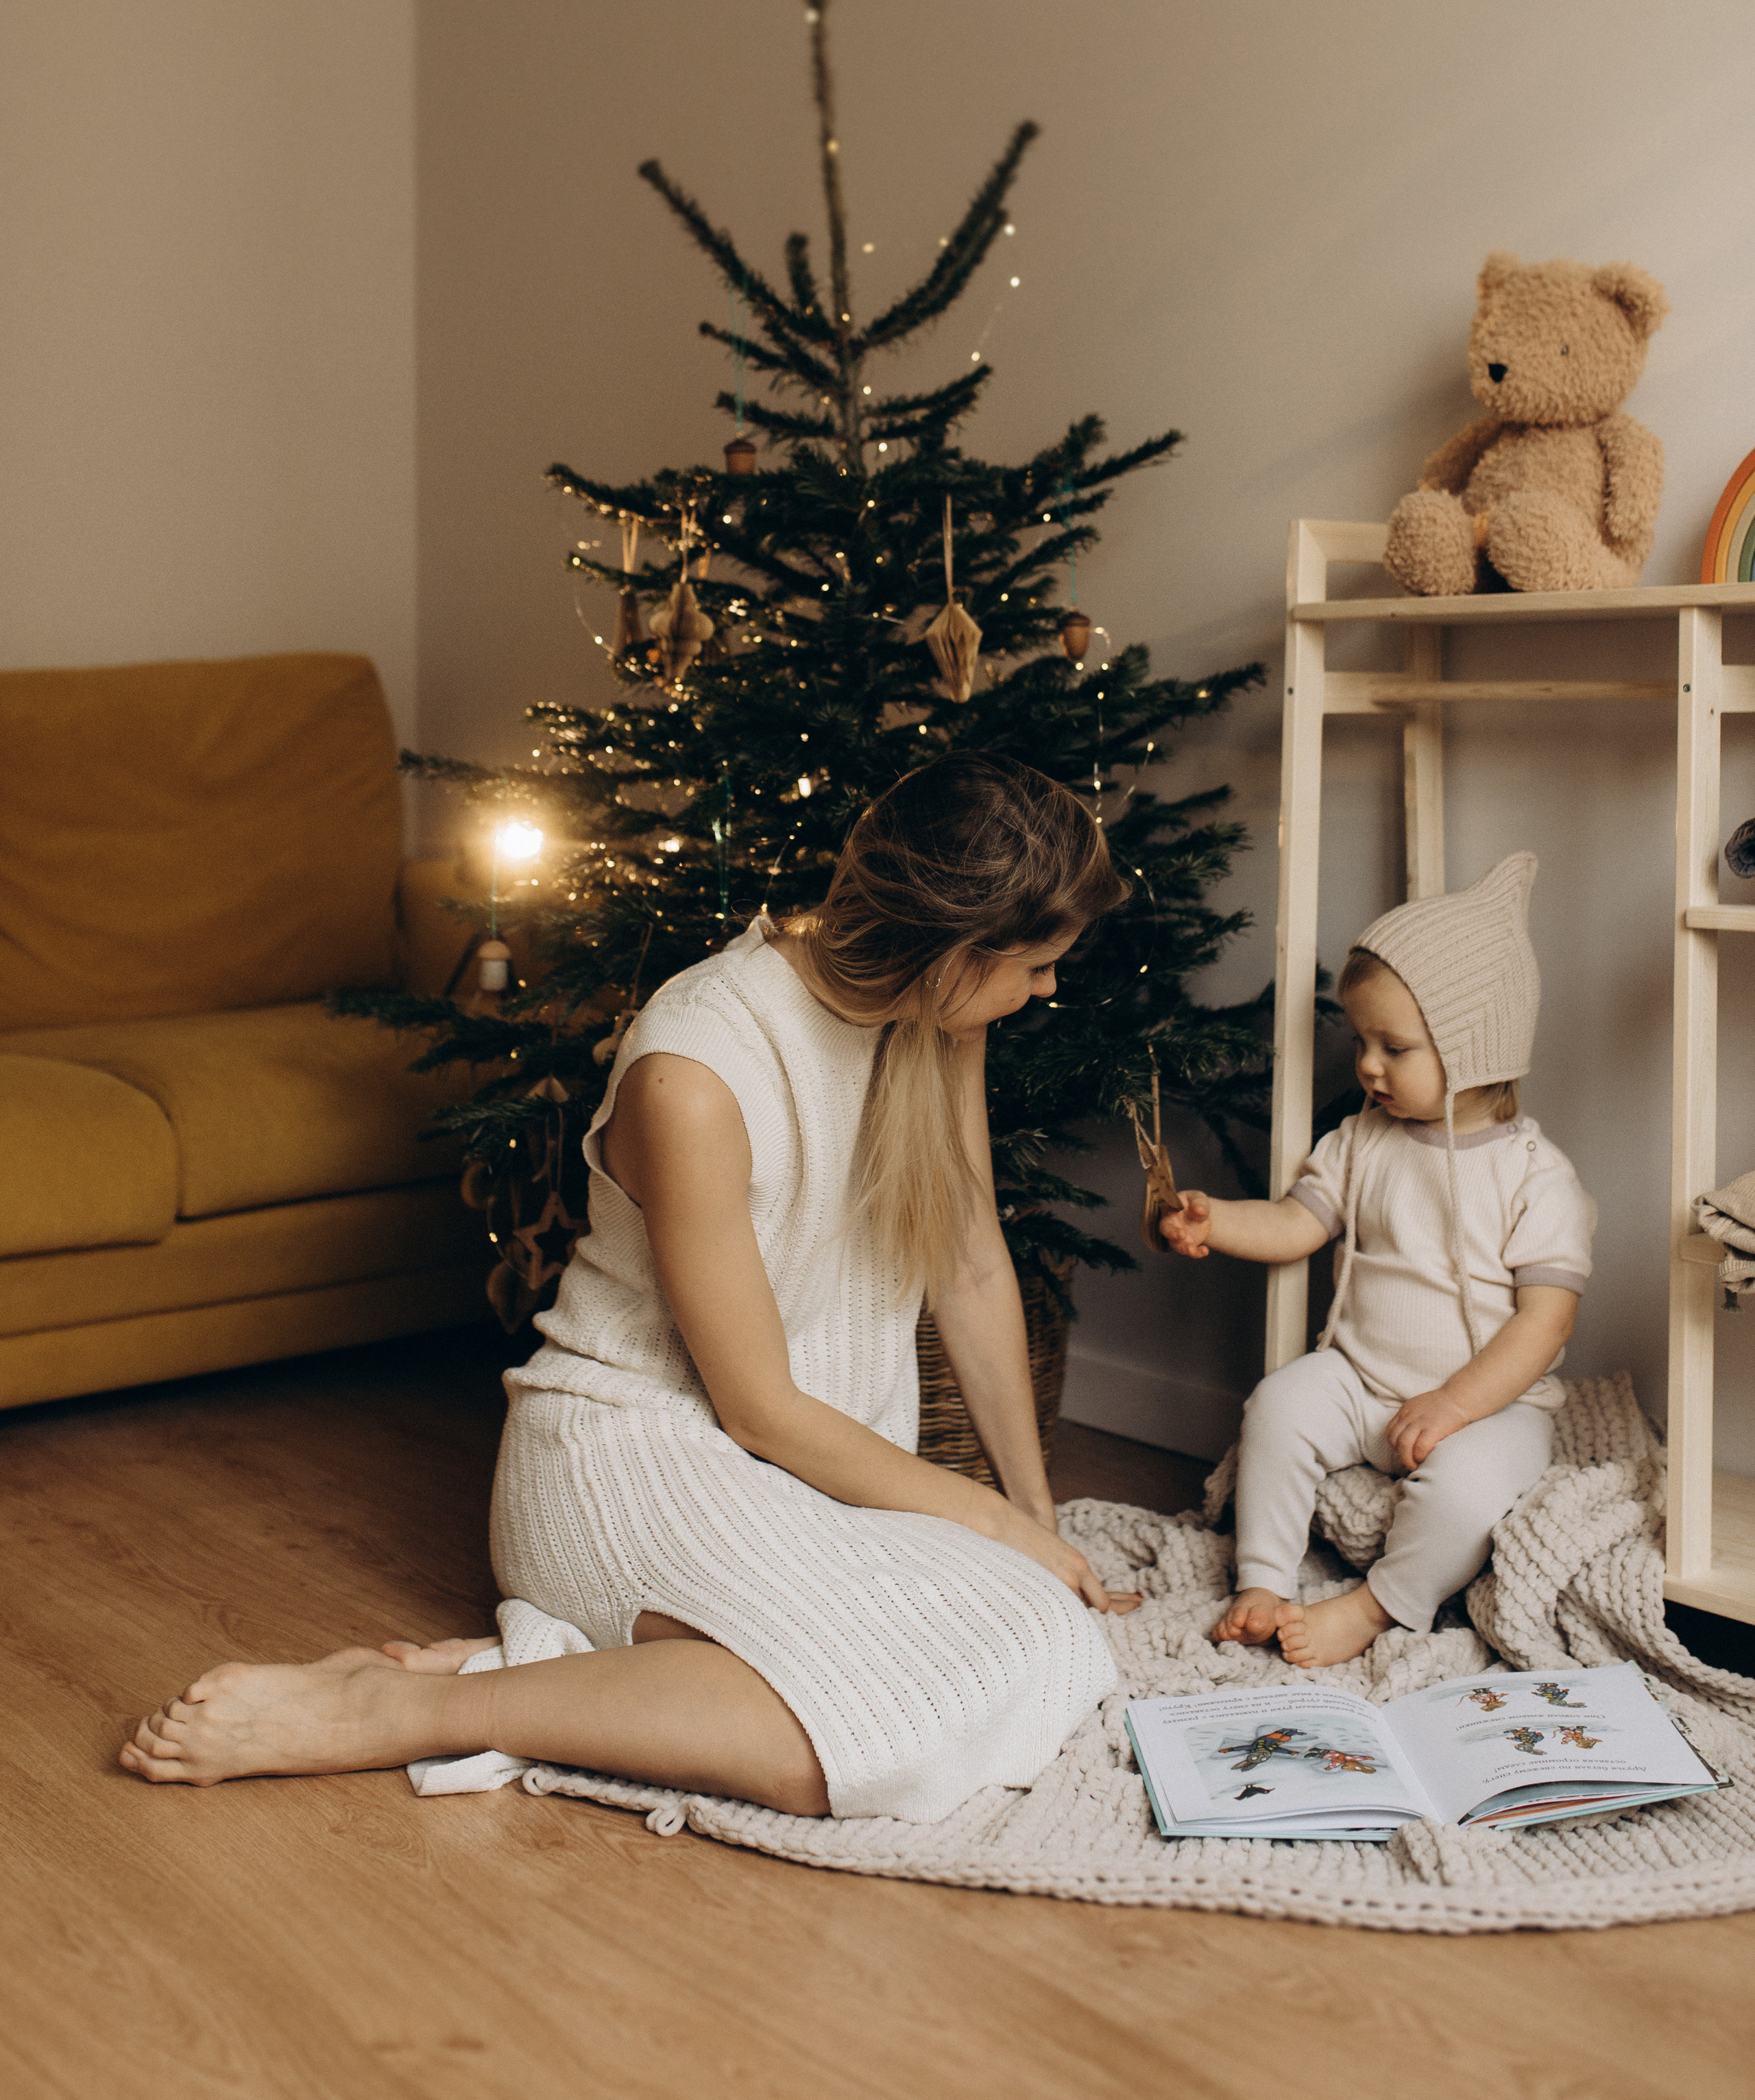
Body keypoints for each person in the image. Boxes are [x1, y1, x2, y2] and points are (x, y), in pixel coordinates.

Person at [121, 754, 1139, 1813]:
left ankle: (512, 1676)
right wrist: (989, 1524)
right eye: (1033, 964)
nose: (1049, 988)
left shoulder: (940, 1023)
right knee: (883, 1732)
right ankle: (398, 1712)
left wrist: (1033, 1515)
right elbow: (761, 1408)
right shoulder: (696, 1065)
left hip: (818, 1481)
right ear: (947, 949)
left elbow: (970, 1263)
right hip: (633, 1455)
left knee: (1049, 1643)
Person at [1157, 853, 1593, 1669]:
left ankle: (1374, 1605)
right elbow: (1296, 1222)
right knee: (1278, 1407)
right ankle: (1262, 1577)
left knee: (1467, 1494)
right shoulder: (1360, 1141)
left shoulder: (1535, 1177)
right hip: (1359, 1380)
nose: (1366, 1065)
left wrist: (1457, 1403)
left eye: (1394, 1046)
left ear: (1478, 1047)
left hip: (1489, 1410)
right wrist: (1217, 1221)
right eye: (1361, 1041)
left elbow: (1547, 1319)